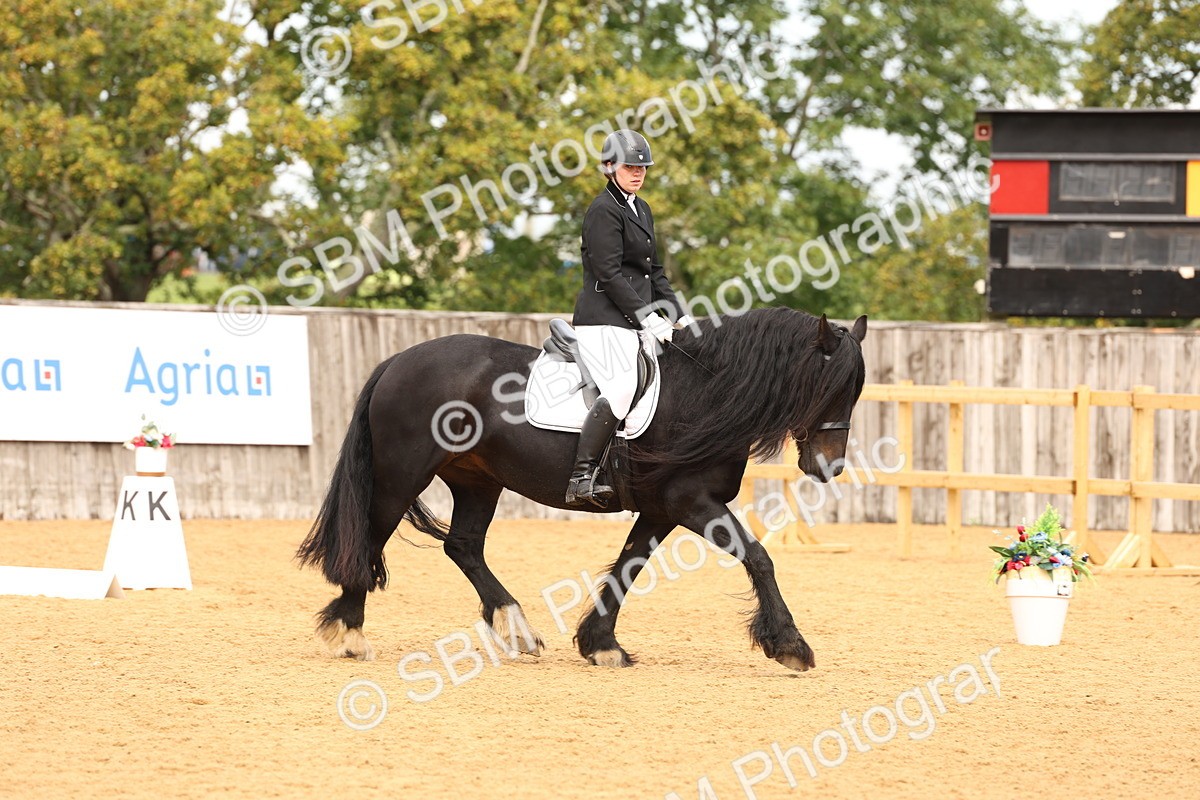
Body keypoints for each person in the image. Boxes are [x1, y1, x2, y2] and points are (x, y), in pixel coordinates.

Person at [565, 129, 695, 508]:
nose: (637, 172)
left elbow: (655, 274)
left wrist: (679, 318)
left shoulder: (642, 208)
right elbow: (609, 274)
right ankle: (581, 475)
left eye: (643, 167)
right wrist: (647, 318)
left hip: (632, 320)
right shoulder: (603, 210)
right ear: (609, 167)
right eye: (630, 166)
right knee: (623, 387)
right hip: (603, 319)